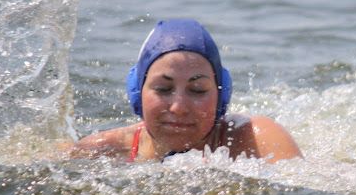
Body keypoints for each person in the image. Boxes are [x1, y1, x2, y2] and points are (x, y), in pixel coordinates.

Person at [70, 18, 302, 163]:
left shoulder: (255, 138)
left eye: (198, 90)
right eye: (163, 88)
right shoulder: (104, 150)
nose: (179, 107)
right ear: (137, 93)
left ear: (222, 97)